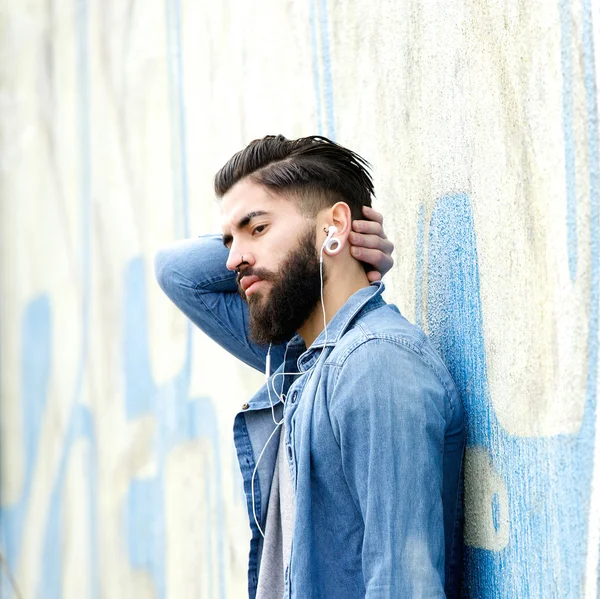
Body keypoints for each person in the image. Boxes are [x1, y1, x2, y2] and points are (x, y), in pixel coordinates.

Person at [154, 135, 465, 599]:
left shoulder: (374, 363)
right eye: (228, 240)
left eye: (256, 228)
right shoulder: (301, 363)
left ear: (332, 226)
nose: (233, 259)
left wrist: (339, 237)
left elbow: (403, 585)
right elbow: (176, 271)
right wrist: (334, 242)